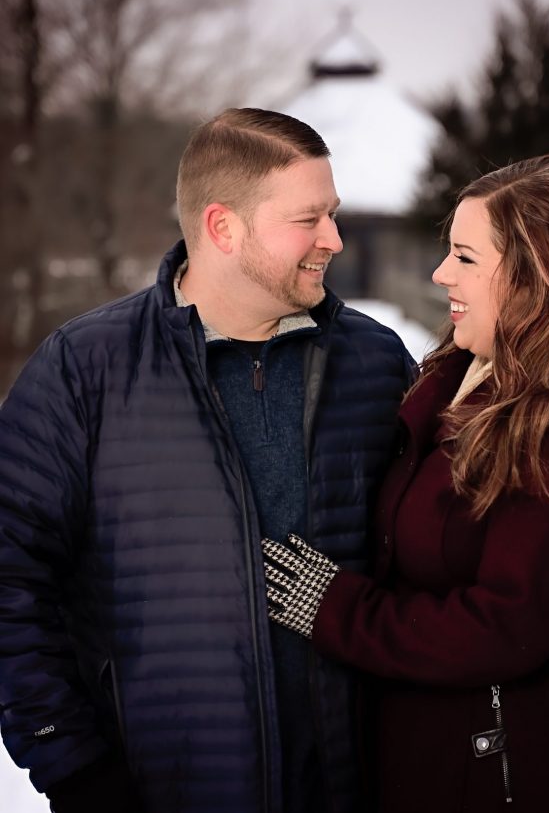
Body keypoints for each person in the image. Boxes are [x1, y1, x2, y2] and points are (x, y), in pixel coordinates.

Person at [0, 108, 414, 813]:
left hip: (353, 789)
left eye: (335, 215)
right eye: (308, 219)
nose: (334, 240)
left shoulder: (376, 364)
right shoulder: (85, 370)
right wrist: (73, 766)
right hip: (158, 788)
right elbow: (10, 579)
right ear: (223, 228)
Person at [262, 153, 549, 813]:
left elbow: (506, 625)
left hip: (515, 769)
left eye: (467, 258)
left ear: (540, 275)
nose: (441, 273)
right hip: (446, 754)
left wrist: (339, 609)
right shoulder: (467, 377)